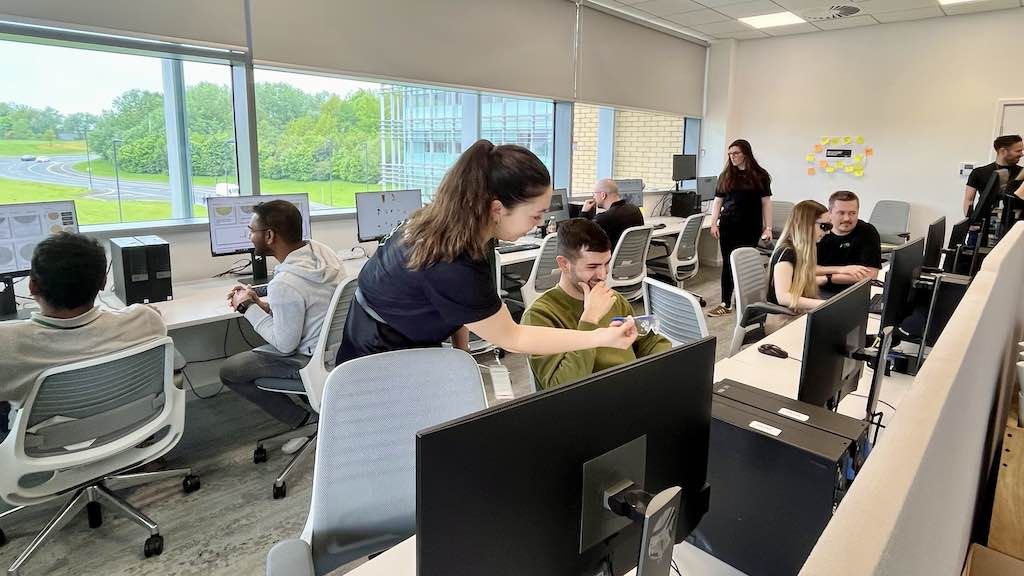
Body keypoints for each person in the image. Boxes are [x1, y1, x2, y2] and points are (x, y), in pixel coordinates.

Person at [336, 140, 638, 365]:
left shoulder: (467, 226)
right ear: (497, 208)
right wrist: (600, 335)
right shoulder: (451, 260)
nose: (541, 223)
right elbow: (515, 337)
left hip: (408, 333)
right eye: (535, 216)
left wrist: (462, 355)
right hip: (376, 353)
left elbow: (464, 308)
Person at [0, 232, 166, 440]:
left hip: (47, 447)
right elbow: (152, 313)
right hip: (128, 428)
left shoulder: (6, 342)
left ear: (32, 286)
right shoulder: (145, 319)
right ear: (104, 282)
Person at [222, 199, 344, 447]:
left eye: (251, 231)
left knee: (230, 371)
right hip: (339, 354)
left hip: (309, 361)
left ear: (269, 236)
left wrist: (246, 307)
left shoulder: (285, 283)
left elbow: (285, 345)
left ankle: (302, 421)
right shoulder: (322, 255)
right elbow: (312, 307)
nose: (249, 237)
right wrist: (265, 305)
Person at [521, 219, 672, 390]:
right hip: (591, 404)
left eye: (606, 263)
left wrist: (666, 366)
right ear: (564, 264)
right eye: (592, 266)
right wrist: (590, 319)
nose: (602, 275)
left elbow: (649, 342)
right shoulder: (539, 316)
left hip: (632, 391)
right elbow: (561, 387)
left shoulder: (613, 298)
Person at [708, 139, 773, 317]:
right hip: (728, 225)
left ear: (745, 153)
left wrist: (768, 228)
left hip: (750, 227)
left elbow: (766, 203)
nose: (732, 157)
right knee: (728, 264)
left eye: (736, 153)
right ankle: (725, 302)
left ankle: (745, 300)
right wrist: (714, 223)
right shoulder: (726, 175)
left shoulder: (760, 176)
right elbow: (718, 201)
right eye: (730, 154)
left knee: (745, 264)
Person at [768, 200, 831, 313]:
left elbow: (796, 282)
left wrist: (827, 279)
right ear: (806, 224)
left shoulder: (803, 250)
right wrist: (825, 304)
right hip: (782, 318)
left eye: (829, 226)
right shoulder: (786, 253)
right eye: (824, 226)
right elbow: (783, 297)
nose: (827, 232)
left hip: (796, 313)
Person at [815, 191, 882, 297]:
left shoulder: (867, 231)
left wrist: (826, 278)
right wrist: (842, 270)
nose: (847, 218)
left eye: (852, 213)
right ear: (830, 213)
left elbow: (871, 275)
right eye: (841, 213)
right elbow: (806, 270)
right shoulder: (818, 231)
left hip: (854, 291)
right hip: (818, 291)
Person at [964, 135, 1023, 217]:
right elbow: (969, 200)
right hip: (985, 223)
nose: (1021, 154)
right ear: (1003, 151)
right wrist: (970, 222)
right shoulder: (978, 172)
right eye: (1018, 151)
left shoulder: (1022, 173)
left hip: (1017, 224)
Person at [580, 178, 644, 248]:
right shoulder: (635, 209)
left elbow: (581, 237)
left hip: (611, 257)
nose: (593, 197)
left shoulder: (605, 218)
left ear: (603, 195)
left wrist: (584, 212)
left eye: (594, 194)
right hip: (634, 256)